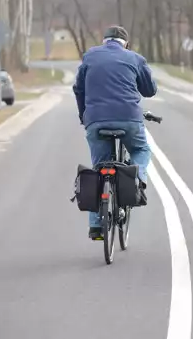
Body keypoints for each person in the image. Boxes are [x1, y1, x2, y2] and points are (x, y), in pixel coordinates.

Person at [73, 25, 158, 240]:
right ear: (125, 43)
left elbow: (79, 88)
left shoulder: (90, 56)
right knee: (141, 149)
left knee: (99, 168)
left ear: (104, 41)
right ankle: (137, 179)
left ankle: (96, 227)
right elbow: (150, 90)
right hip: (129, 118)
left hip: (95, 120)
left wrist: (84, 114)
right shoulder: (135, 58)